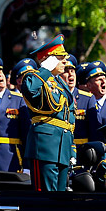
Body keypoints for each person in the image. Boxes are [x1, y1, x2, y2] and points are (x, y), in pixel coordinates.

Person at [21, 35, 76, 191]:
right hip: (45, 147)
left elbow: (69, 119)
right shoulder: (35, 77)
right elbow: (30, 89)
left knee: (60, 200)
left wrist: (71, 149)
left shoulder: (60, 83)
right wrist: (45, 69)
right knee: (45, 198)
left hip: (63, 148)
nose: (65, 61)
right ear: (48, 60)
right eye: (59, 57)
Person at [61, 54, 96, 150]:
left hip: (82, 151)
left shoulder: (88, 99)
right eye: (66, 71)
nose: (71, 74)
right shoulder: (55, 97)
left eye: (72, 71)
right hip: (61, 150)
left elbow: (93, 131)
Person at [82, 62, 106, 142]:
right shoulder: (84, 104)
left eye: (104, 79)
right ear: (89, 85)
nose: (103, 82)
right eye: (99, 80)